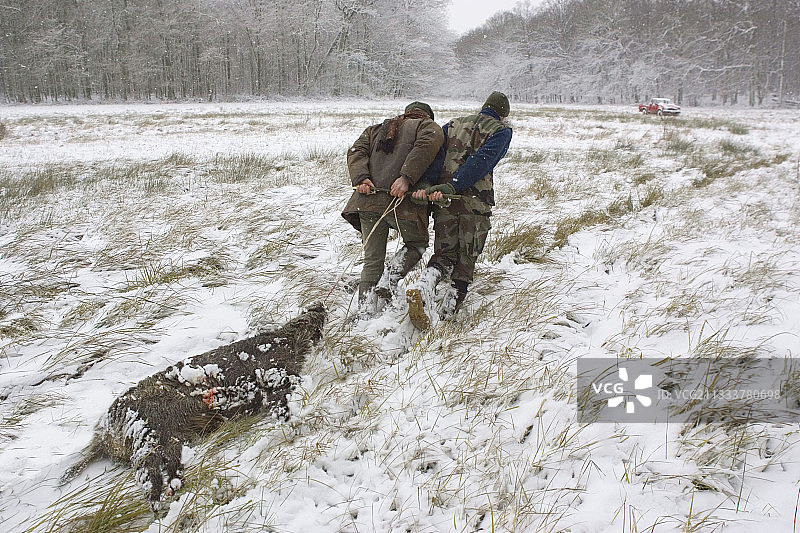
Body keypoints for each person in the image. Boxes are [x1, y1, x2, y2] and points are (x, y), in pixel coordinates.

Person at [406, 91, 513, 329]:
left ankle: (424, 285)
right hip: (474, 203)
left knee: (444, 254)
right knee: (466, 260)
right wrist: (454, 185)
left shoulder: (453, 125)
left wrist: (428, 184)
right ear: (503, 115)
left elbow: (436, 158)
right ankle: (447, 316)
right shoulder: (501, 131)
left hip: (443, 200)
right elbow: (482, 161)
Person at [341, 101, 444, 316]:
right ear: (427, 115)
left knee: (372, 261)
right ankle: (389, 280)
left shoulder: (375, 130)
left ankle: (365, 312)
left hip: (367, 203)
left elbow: (356, 151)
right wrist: (407, 177)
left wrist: (361, 178)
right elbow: (426, 146)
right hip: (402, 205)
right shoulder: (427, 127)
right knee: (417, 243)